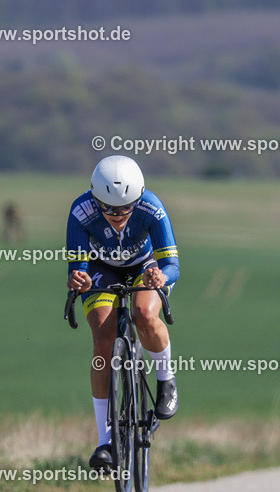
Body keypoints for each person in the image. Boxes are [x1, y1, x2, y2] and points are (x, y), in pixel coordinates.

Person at [66, 155, 179, 471]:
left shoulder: (152, 208)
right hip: (102, 271)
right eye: (110, 208)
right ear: (95, 198)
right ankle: (105, 442)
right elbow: (78, 267)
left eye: (127, 207)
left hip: (145, 267)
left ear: (139, 197)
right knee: (103, 343)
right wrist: (79, 277)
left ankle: (165, 379)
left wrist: (162, 278)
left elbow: (172, 265)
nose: (118, 215)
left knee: (144, 315)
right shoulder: (81, 211)